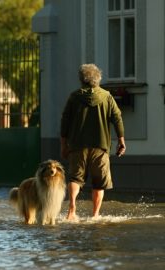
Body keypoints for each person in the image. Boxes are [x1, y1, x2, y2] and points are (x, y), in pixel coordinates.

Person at [60, 63, 126, 221]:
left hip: (77, 145)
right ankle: (95, 214)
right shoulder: (107, 96)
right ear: (98, 78)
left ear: (81, 79)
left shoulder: (74, 97)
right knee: (99, 182)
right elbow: (117, 118)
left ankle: (72, 210)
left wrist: (64, 144)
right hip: (100, 146)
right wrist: (121, 140)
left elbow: (65, 121)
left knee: (75, 177)